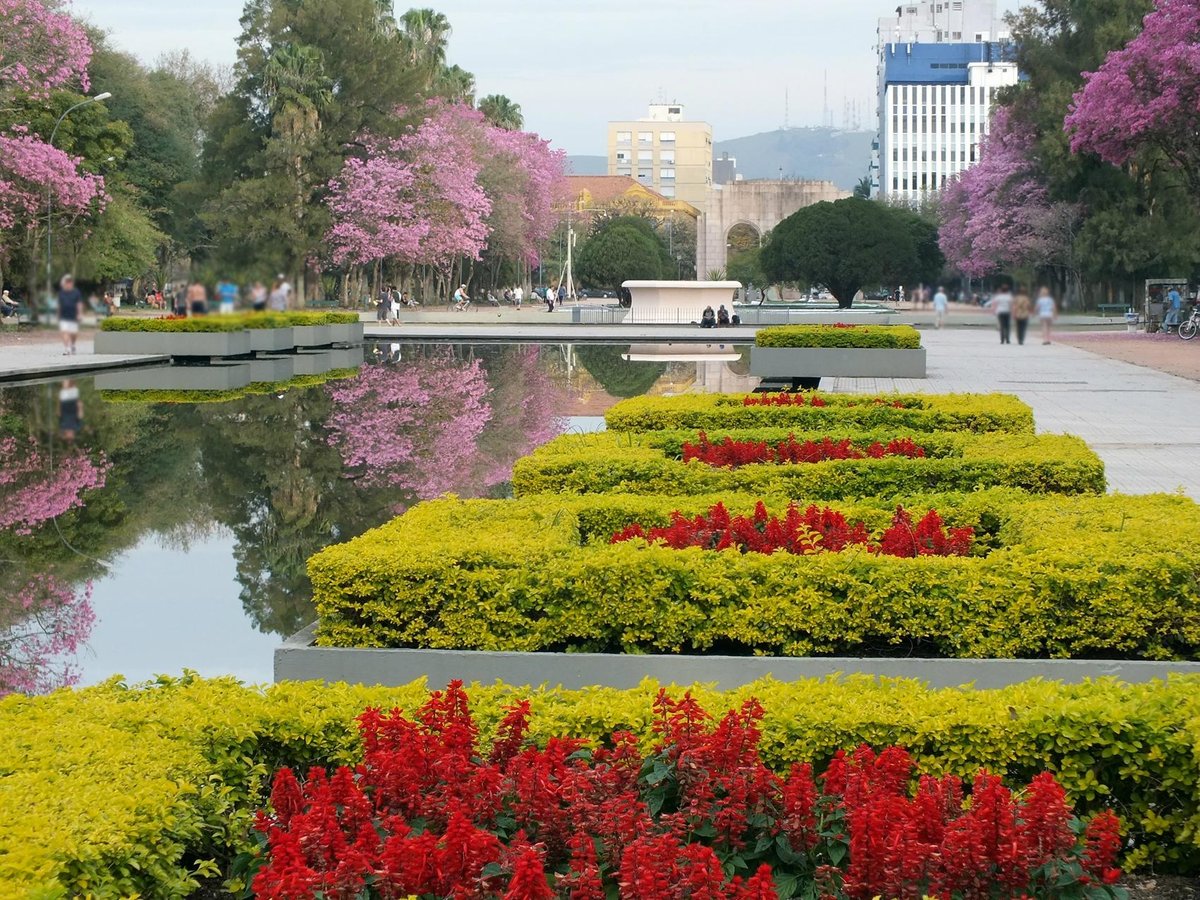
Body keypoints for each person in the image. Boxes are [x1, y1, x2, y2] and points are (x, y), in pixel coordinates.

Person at [57, 274, 82, 354]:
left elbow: (79, 304)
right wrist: (58, 314)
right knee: (64, 331)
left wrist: (79, 314)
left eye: (69, 283)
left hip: (73, 315)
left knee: (73, 333)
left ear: (72, 284)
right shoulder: (61, 293)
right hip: (64, 316)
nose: (68, 284)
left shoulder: (76, 292)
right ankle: (67, 348)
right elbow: (59, 305)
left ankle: (73, 345)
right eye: (66, 283)